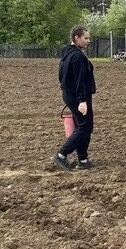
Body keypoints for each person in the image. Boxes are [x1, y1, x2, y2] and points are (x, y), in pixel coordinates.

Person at [53, 26, 96, 170]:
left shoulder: (67, 54)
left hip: (70, 95)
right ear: (76, 38)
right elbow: (80, 80)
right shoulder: (77, 56)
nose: (88, 41)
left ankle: (83, 160)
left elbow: (61, 77)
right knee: (85, 127)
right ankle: (61, 154)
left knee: (82, 126)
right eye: (86, 38)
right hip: (78, 96)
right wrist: (82, 101)